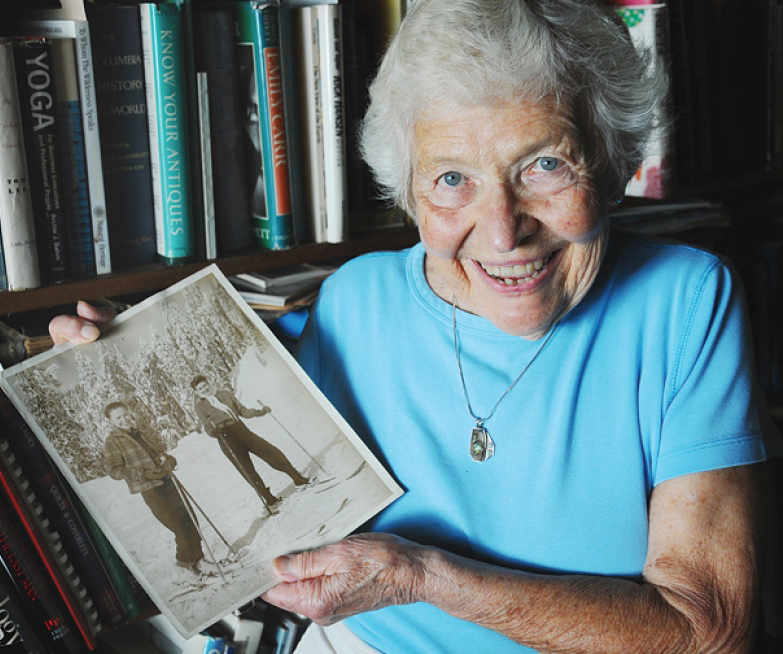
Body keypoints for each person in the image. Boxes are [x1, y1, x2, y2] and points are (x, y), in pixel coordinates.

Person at [52, 0, 781, 651]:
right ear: (407, 194)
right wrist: (117, 349)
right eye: (452, 179)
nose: (501, 232)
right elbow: (229, 421)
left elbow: (705, 632)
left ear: (614, 159)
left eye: (545, 165)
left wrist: (423, 579)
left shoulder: (685, 303)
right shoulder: (352, 302)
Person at [103, 401, 205, 573]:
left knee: (191, 521)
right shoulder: (113, 441)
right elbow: (113, 470)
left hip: (167, 481)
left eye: (125, 414)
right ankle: (185, 566)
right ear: (111, 421)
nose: (124, 419)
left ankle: (199, 560)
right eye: (118, 418)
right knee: (179, 528)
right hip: (150, 488)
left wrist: (169, 460)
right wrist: (142, 474)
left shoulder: (139, 433)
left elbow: (158, 454)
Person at [190, 374, 310, 512]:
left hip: (240, 429)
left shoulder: (224, 394)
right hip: (226, 438)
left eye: (205, 385)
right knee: (247, 470)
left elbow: (243, 411)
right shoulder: (200, 407)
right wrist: (214, 432)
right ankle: (269, 499)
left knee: (269, 451)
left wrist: (261, 412)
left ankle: (297, 478)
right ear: (197, 392)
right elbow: (207, 427)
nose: (204, 389)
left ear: (209, 383)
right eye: (200, 389)